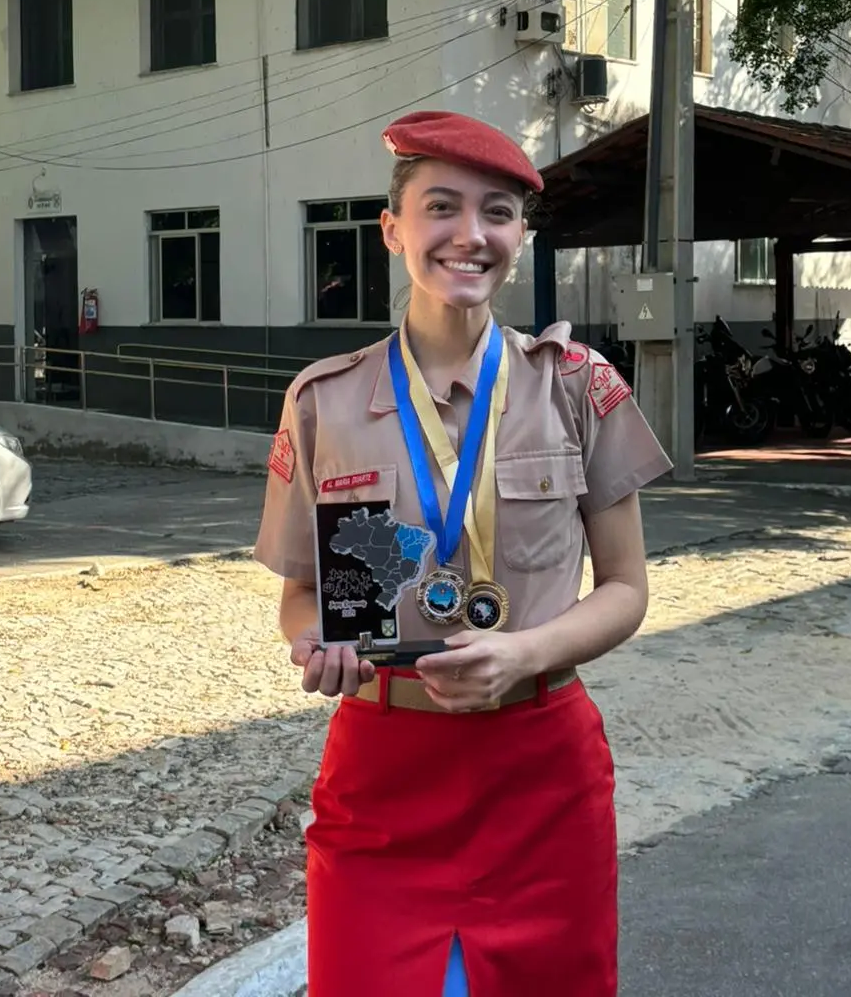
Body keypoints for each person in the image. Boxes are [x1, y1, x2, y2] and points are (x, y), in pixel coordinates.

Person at [254, 109, 672, 997]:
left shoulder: (577, 388)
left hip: (540, 771)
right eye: (442, 206)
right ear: (394, 229)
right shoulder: (322, 403)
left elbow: (628, 589)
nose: (470, 235)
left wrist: (523, 653)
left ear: (521, 235)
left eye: (499, 213)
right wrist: (313, 641)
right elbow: (301, 594)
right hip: (382, 772)